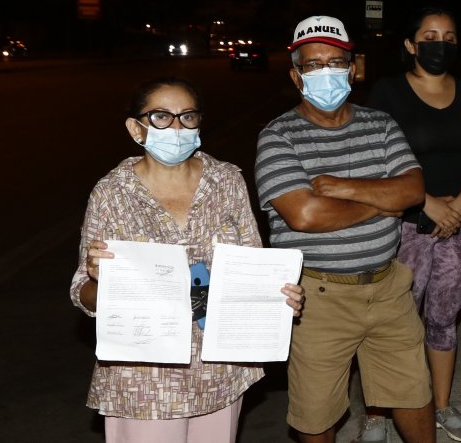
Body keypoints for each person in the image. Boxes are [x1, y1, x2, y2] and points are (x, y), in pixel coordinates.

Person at [69, 76, 305, 442]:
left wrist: (279, 297)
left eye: (187, 117)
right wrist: (103, 280)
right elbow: (82, 292)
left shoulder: (226, 181)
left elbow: (253, 265)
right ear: (136, 128)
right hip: (145, 379)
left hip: (220, 369)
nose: (177, 127)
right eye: (161, 117)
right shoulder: (113, 193)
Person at [254, 15, 435, 443]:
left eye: (335, 62)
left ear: (353, 69)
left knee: (413, 393)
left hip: (389, 288)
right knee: (317, 414)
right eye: (313, 65)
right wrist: (380, 203)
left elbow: (412, 190)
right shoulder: (278, 136)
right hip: (317, 299)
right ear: (296, 77)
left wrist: (347, 189)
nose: (326, 73)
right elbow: (305, 216)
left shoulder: (382, 124)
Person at [362, 6, 461, 442]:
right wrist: (427, 203)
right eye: (431, 35)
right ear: (410, 44)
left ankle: (440, 405)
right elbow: (376, 160)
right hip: (405, 223)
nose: (441, 44)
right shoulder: (387, 92)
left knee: (442, 318)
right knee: (394, 319)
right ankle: (378, 414)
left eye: (450, 36)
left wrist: (460, 203)